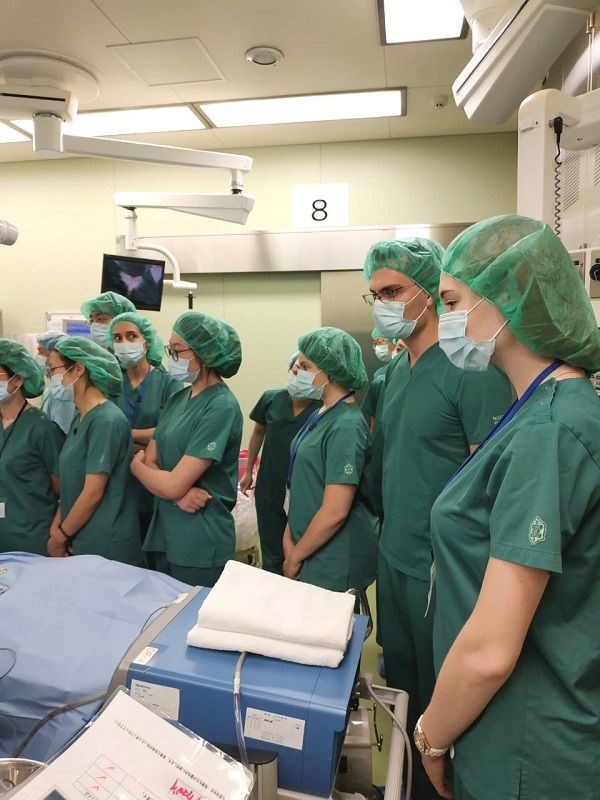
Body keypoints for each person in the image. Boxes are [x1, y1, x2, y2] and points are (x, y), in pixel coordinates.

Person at [416, 215, 600, 800]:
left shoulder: (549, 431)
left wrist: (431, 737)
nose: (445, 320)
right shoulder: (534, 409)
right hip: (504, 729)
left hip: (528, 750)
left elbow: (491, 654)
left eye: (452, 302)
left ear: (508, 296)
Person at [363, 237, 513, 800]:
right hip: (396, 558)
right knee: (402, 690)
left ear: (429, 292)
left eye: (394, 291)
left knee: (442, 708)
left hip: (441, 571)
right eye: (375, 294)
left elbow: (493, 483)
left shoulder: (470, 371)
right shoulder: (394, 375)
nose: (383, 305)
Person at [131, 312, 243, 587]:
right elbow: (155, 462)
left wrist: (136, 467)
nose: (171, 357)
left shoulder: (220, 407)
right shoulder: (178, 398)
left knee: (192, 612)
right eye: (170, 349)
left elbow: (160, 474)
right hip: (165, 532)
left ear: (204, 354)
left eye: (177, 350)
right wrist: (174, 494)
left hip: (199, 539)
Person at [283, 327, 379, 596]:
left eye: (305, 366)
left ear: (331, 371)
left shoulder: (347, 425)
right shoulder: (321, 414)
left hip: (334, 558)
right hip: (308, 547)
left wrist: (295, 556)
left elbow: (336, 511)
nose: (297, 372)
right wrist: (289, 536)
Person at [46, 336, 142, 564]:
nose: (52, 379)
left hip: (106, 545)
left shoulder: (106, 421)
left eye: (53, 370)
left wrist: (61, 536)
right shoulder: (81, 418)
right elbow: (72, 487)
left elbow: (92, 492)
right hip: (79, 537)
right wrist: (57, 529)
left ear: (79, 369)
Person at [240, 354, 321, 574]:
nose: (298, 375)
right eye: (295, 370)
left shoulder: (322, 409)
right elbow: (258, 432)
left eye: (305, 370)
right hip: (269, 486)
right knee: (272, 552)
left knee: (300, 552)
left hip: (304, 491)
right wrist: (249, 471)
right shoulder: (271, 399)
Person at [107, 312, 179, 551]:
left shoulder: (168, 383)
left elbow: (170, 432)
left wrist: (127, 436)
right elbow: (102, 429)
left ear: (146, 340)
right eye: (118, 338)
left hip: (154, 478)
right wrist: (146, 438)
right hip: (117, 479)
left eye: (131, 336)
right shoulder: (110, 384)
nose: (124, 343)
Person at [0, 339, 64, 555]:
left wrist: (59, 535)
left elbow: (63, 488)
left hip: (31, 539)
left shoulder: (42, 428)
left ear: (18, 378)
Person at [37, 331, 77, 434]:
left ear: (55, 353)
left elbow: (64, 431)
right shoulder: (51, 390)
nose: (38, 356)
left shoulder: (64, 393)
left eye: (41, 351)